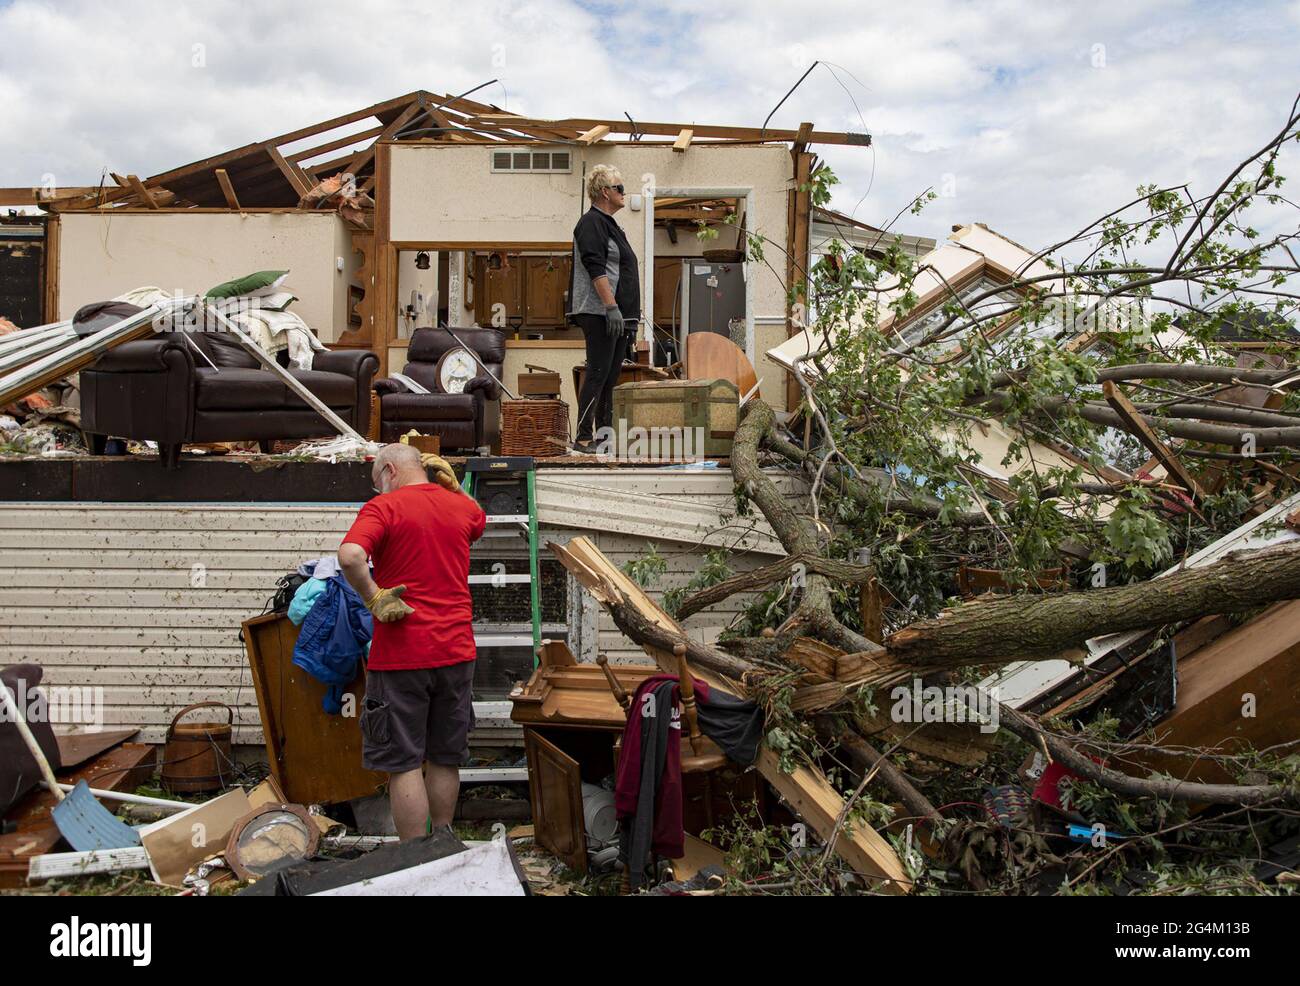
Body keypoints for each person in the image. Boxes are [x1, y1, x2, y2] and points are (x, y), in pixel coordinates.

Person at [338, 443, 486, 839]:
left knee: (403, 763)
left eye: (376, 482)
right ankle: (443, 844)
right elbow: (478, 519)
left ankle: (414, 858)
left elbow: (351, 555)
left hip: (402, 656)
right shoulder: (460, 506)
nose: (377, 491)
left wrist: (372, 596)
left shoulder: (383, 508)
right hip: (456, 652)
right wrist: (455, 491)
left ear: (388, 471)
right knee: (444, 757)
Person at [568, 163, 641, 450]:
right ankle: (584, 436)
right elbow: (595, 267)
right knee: (598, 372)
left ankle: (604, 437)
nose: (624, 193)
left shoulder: (612, 225)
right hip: (600, 313)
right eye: (619, 188)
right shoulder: (591, 223)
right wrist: (611, 307)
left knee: (610, 378)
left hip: (619, 316)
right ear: (603, 192)